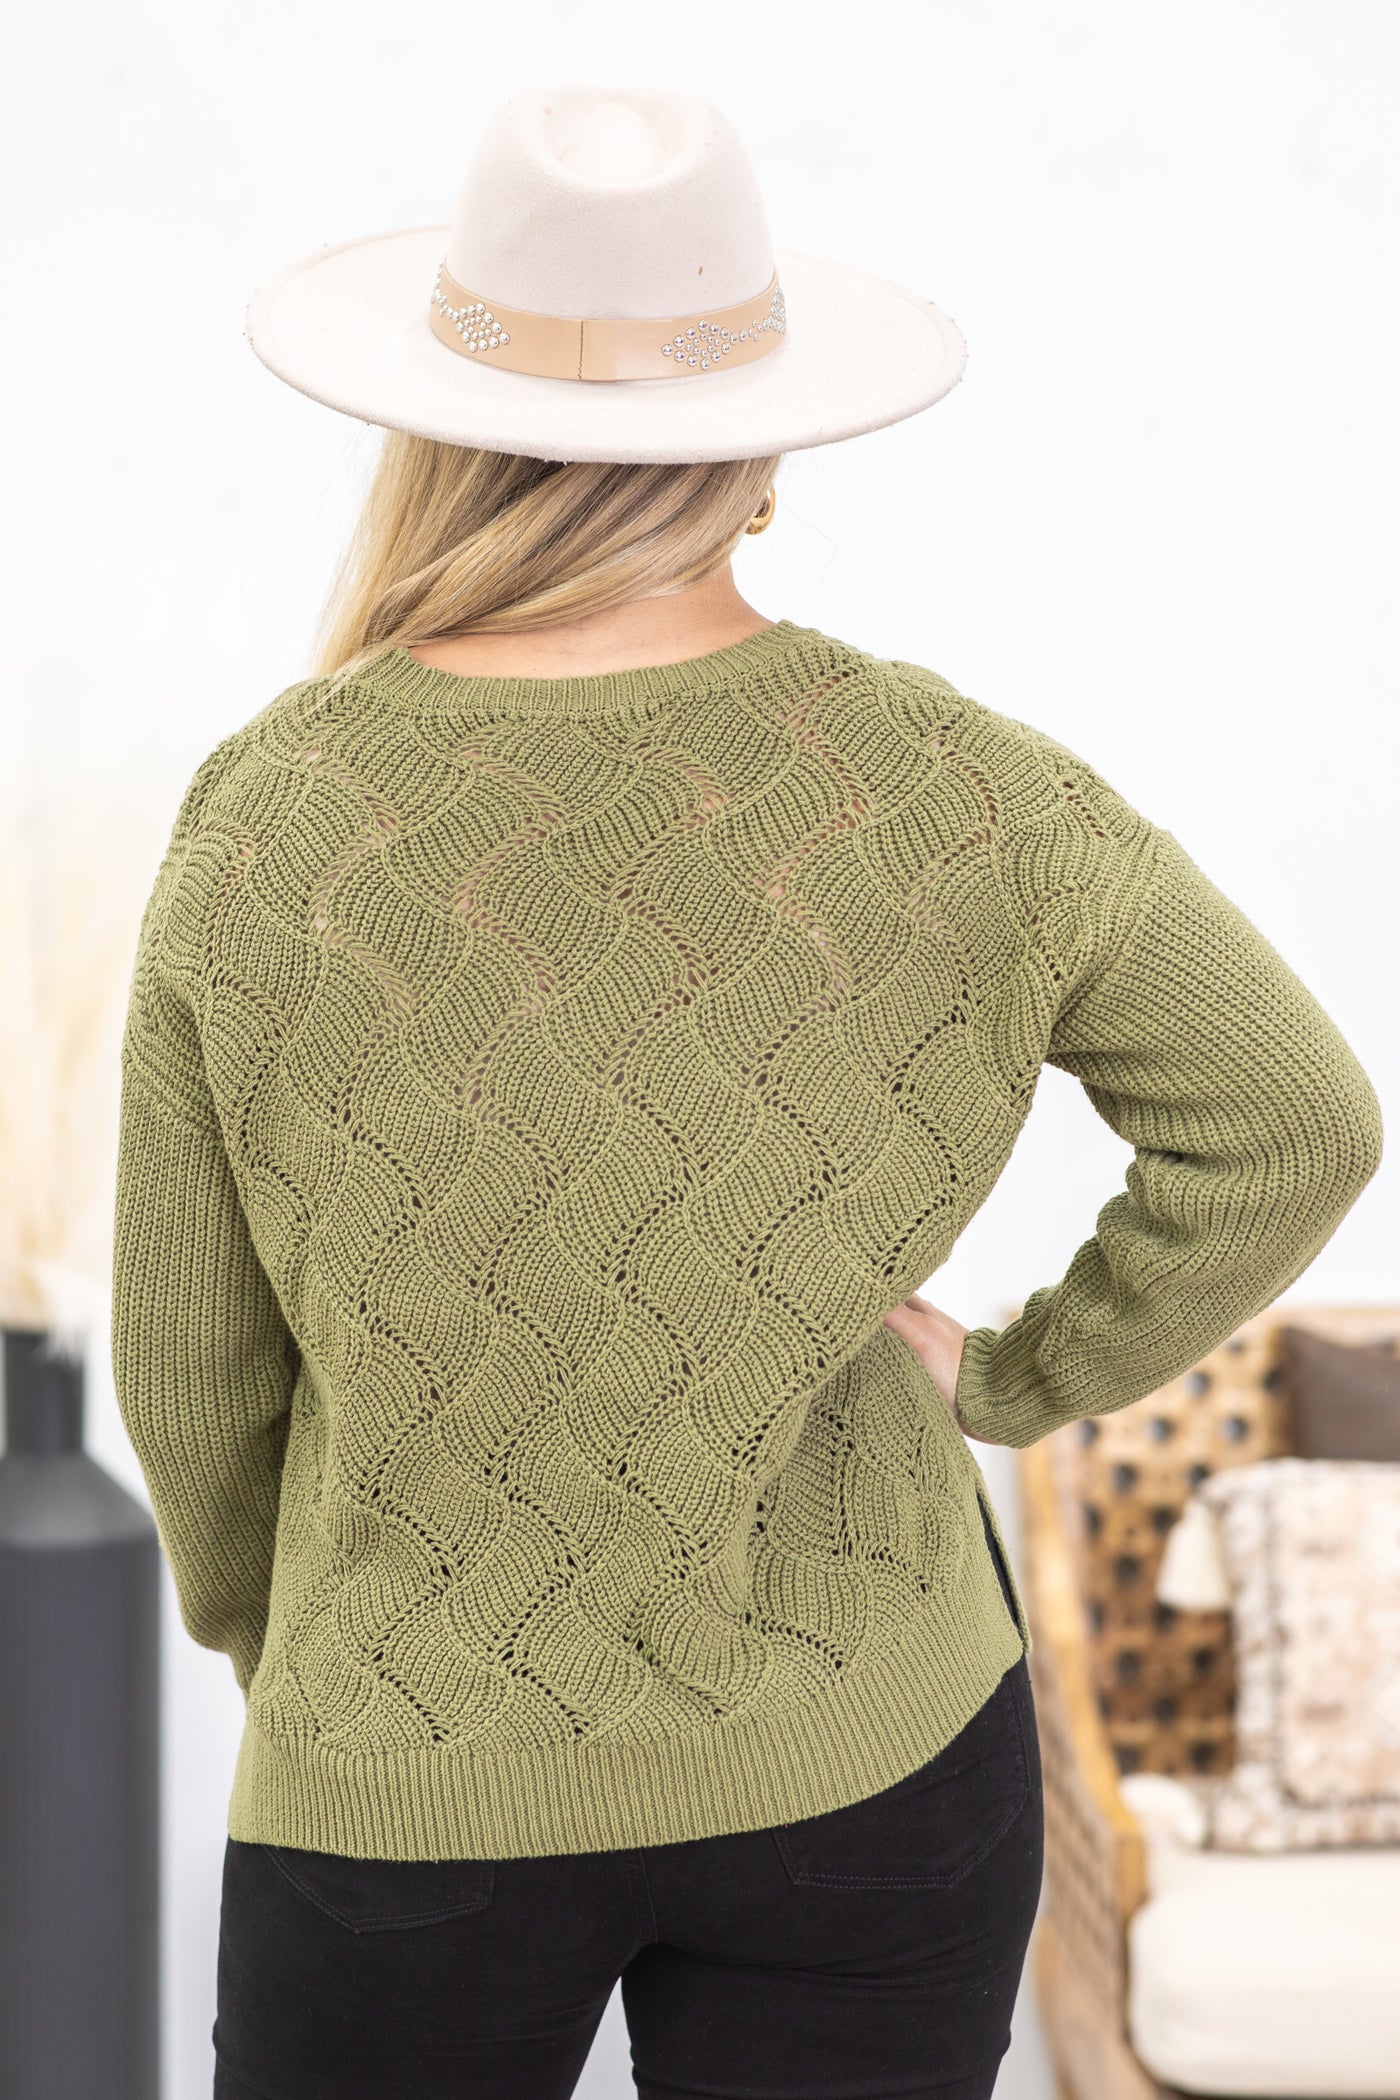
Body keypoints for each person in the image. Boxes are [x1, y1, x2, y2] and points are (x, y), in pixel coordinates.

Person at [111, 83, 1383, 2100]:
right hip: (872, 1742)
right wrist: (1016, 1378)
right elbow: (1292, 1123)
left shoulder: (273, 817)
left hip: (409, 1773)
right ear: (760, 454)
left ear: (434, 434)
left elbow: (194, 1373)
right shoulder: (960, 788)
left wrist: (335, 1665)